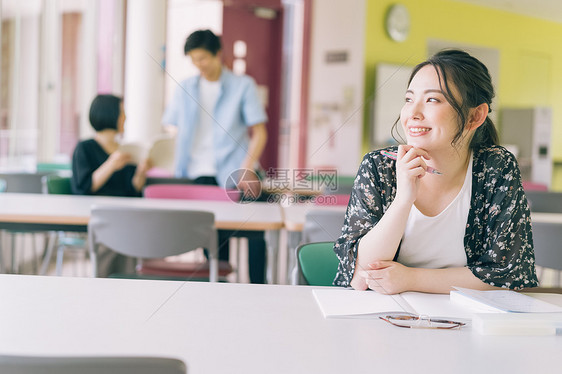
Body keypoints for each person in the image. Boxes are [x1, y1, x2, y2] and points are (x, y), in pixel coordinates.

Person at [334, 49, 538, 294]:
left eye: (432, 100)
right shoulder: (379, 166)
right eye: (409, 99)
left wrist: (410, 279)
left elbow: (508, 274)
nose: (413, 113)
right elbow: (361, 273)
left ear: (475, 116)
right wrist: (403, 199)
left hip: (464, 321)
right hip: (379, 316)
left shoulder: (496, 167)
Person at [162, 29, 268, 283]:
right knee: (214, 239)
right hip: (200, 173)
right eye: (195, 60)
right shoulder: (185, 88)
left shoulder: (243, 86)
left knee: (255, 234)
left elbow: (260, 133)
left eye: (204, 58)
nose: (200, 65)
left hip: (236, 170)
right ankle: (219, 288)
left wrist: (247, 167)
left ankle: (258, 288)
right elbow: (172, 130)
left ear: (218, 54)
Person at [71, 94, 151, 196]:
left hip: (123, 209)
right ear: (109, 114)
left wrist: (140, 173)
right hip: (92, 209)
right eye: (122, 113)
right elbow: (83, 188)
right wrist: (111, 164)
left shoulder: (126, 150)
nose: (125, 117)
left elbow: (133, 191)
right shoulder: (84, 148)